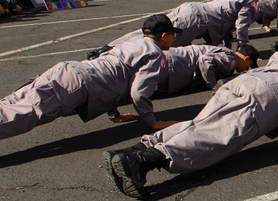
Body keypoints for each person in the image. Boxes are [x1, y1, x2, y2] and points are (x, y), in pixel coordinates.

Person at [103, 14, 278, 200]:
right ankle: (143, 161)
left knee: (199, 125)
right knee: (215, 137)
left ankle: (134, 151)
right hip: (267, 98)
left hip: (244, 82)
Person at [0, 15, 181, 140]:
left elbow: (112, 77)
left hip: (69, 70)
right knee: (24, 115)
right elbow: (139, 93)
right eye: (173, 35)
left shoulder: (133, 43)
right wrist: (153, 121)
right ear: (164, 36)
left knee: (13, 102)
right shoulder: (154, 53)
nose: (174, 39)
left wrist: (114, 114)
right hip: (77, 84)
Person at [97, 0, 266, 54]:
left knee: (152, 31)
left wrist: (229, 49)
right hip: (198, 20)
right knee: (158, 43)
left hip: (193, 9)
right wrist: (243, 48)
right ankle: (116, 53)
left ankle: (111, 46)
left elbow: (227, 26)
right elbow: (241, 25)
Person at [157, 44, 259, 95]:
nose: (246, 68)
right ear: (246, 59)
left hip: (174, 58)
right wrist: (214, 85)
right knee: (144, 89)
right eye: (249, 65)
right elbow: (206, 60)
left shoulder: (228, 55)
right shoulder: (231, 60)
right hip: (175, 64)